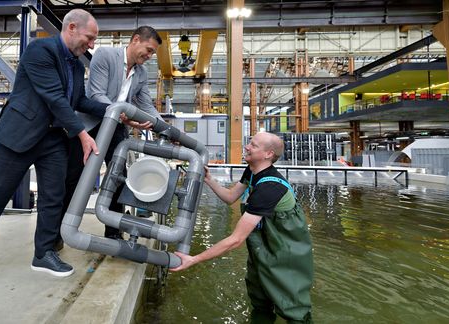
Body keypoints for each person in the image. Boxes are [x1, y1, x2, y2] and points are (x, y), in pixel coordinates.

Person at [0, 9, 109, 289]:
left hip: (53, 138)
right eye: (89, 38)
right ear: (71, 28)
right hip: (18, 136)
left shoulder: (77, 66)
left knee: (53, 198)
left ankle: (43, 253)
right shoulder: (39, 51)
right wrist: (82, 133)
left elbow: (78, 101)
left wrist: (115, 111)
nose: (91, 45)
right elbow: (54, 97)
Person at [171, 132, 314, 323]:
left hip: (286, 256)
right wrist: (210, 180)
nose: (247, 147)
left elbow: (236, 240)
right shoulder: (252, 172)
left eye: (253, 145)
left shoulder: (269, 188)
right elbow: (231, 197)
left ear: (268, 154)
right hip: (263, 250)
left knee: (294, 311)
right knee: (260, 303)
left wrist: (194, 259)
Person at [60, 25, 163, 241]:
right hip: (90, 125)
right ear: (135, 40)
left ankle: (113, 231)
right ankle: (58, 231)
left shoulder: (141, 73)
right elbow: (96, 94)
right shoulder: (106, 55)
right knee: (73, 178)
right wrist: (123, 114)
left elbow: (145, 104)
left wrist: (164, 127)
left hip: (116, 127)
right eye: (149, 49)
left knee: (118, 177)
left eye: (153, 53)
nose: (150, 56)